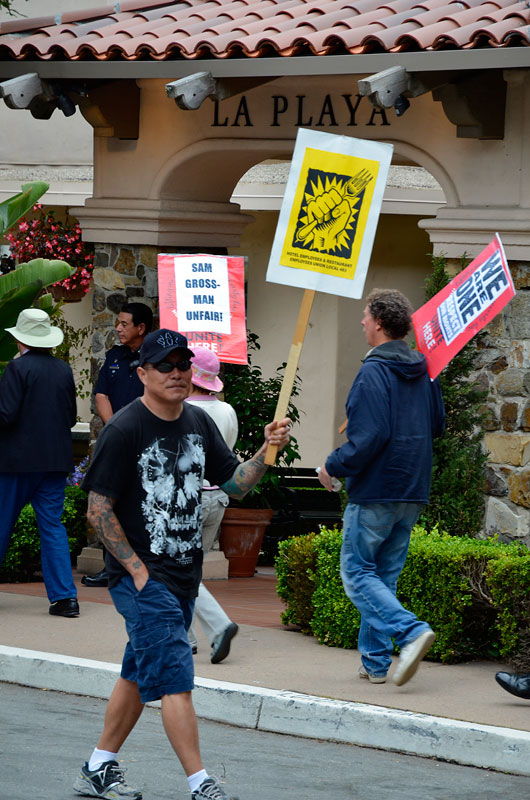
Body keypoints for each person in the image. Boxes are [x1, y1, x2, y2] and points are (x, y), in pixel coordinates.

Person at [74, 328, 290, 800]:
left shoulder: (197, 421)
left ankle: (98, 766)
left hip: (184, 575)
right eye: (165, 366)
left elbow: (233, 485)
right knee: (175, 676)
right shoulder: (124, 429)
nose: (176, 373)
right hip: (143, 579)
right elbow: (98, 509)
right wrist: (136, 571)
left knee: (138, 671)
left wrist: (265, 452)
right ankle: (201, 783)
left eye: (183, 365)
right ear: (143, 373)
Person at [318, 289, 445, 687]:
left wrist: (332, 465)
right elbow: (437, 425)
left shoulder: (373, 371)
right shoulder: (425, 370)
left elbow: (369, 437)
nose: (360, 321)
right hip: (413, 487)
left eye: (364, 315)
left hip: (375, 488)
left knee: (357, 573)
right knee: (382, 578)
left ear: (377, 322)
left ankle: (410, 632)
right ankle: (375, 663)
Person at [0, 308, 78, 617]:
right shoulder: (63, 369)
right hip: (55, 461)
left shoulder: (16, 370)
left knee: (2, 524)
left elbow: (5, 415)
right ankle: (65, 599)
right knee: (52, 527)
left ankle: (64, 597)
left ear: (20, 340)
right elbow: (71, 417)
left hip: (15, 462)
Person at [83, 302, 153, 588]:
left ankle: (145, 565)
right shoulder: (114, 355)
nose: (118, 328)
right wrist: (115, 429)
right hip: (117, 441)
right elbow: (101, 395)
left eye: (124, 324)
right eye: (118, 322)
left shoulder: (153, 360)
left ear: (141, 328)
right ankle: (111, 567)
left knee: (141, 506)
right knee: (109, 503)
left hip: (146, 443)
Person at [185, 348, 239, 664]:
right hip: (218, 497)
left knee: (179, 569)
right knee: (191, 567)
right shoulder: (227, 411)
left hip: (190, 497)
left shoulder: (181, 410)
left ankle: (217, 626)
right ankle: (187, 635)